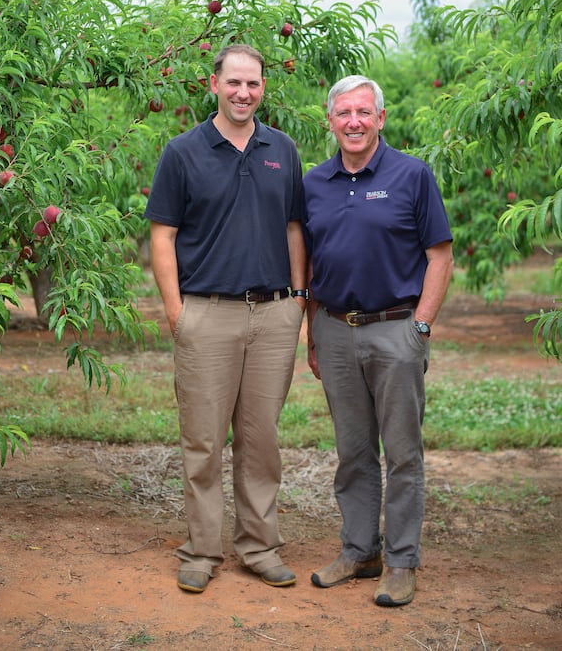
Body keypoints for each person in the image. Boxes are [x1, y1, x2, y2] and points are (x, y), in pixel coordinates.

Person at [144, 43, 307, 594]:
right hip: (207, 314)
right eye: (234, 82)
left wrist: (300, 299)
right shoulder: (183, 151)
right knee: (204, 441)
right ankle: (202, 548)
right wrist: (176, 311)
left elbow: (293, 229)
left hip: (274, 315)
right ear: (213, 83)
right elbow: (162, 236)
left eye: (253, 84)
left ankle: (259, 547)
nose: (243, 93)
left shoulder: (282, 149)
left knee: (261, 440)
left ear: (264, 88)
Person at [303, 75, 453, 607]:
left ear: (380, 118)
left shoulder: (412, 175)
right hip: (335, 328)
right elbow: (310, 259)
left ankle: (402, 561)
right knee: (353, 450)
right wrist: (312, 331)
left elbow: (440, 255)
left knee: (403, 453)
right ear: (330, 121)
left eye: (363, 112)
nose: (354, 122)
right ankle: (359, 550)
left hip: (395, 329)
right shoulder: (313, 182)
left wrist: (422, 325)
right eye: (343, 113)